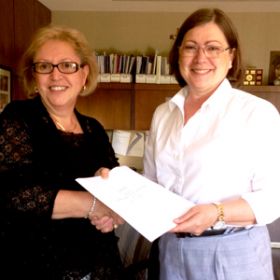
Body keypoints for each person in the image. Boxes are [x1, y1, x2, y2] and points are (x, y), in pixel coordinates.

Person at [144, 8, 280, 280]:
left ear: (231, 57)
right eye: (190, 47)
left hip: (232, 250)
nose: (200, 57)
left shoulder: (257, 113)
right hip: (171, 249)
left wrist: (216, 213)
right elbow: (151, 185)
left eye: (213, 48)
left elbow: (273, 199)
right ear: (178, 54)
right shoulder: (163, 113)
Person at [0, 25, 125, 280]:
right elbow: (14, 195)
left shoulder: (95, 129)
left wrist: (112, 212)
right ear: (34, 76)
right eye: (45, 66)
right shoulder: (18, 117)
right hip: (35, 267)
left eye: (67, 65)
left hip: (100, 267)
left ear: (84, 74)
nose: (56, 76)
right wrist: (93, 206)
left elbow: (118, 191)